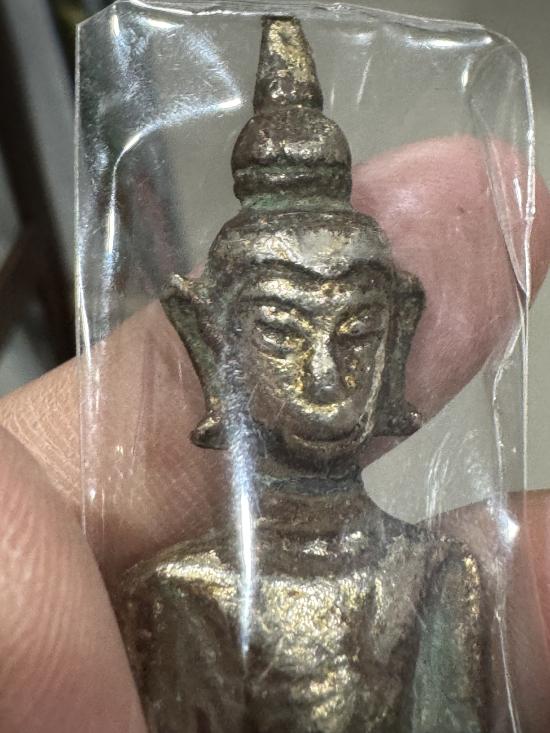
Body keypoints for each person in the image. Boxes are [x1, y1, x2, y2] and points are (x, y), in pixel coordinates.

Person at [0, 136, 549, 733]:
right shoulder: (182, 593)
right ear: (212, 343)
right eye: (282, 334)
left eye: (358, 331)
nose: (326, 376)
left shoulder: (440, 572)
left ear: (398, 331)